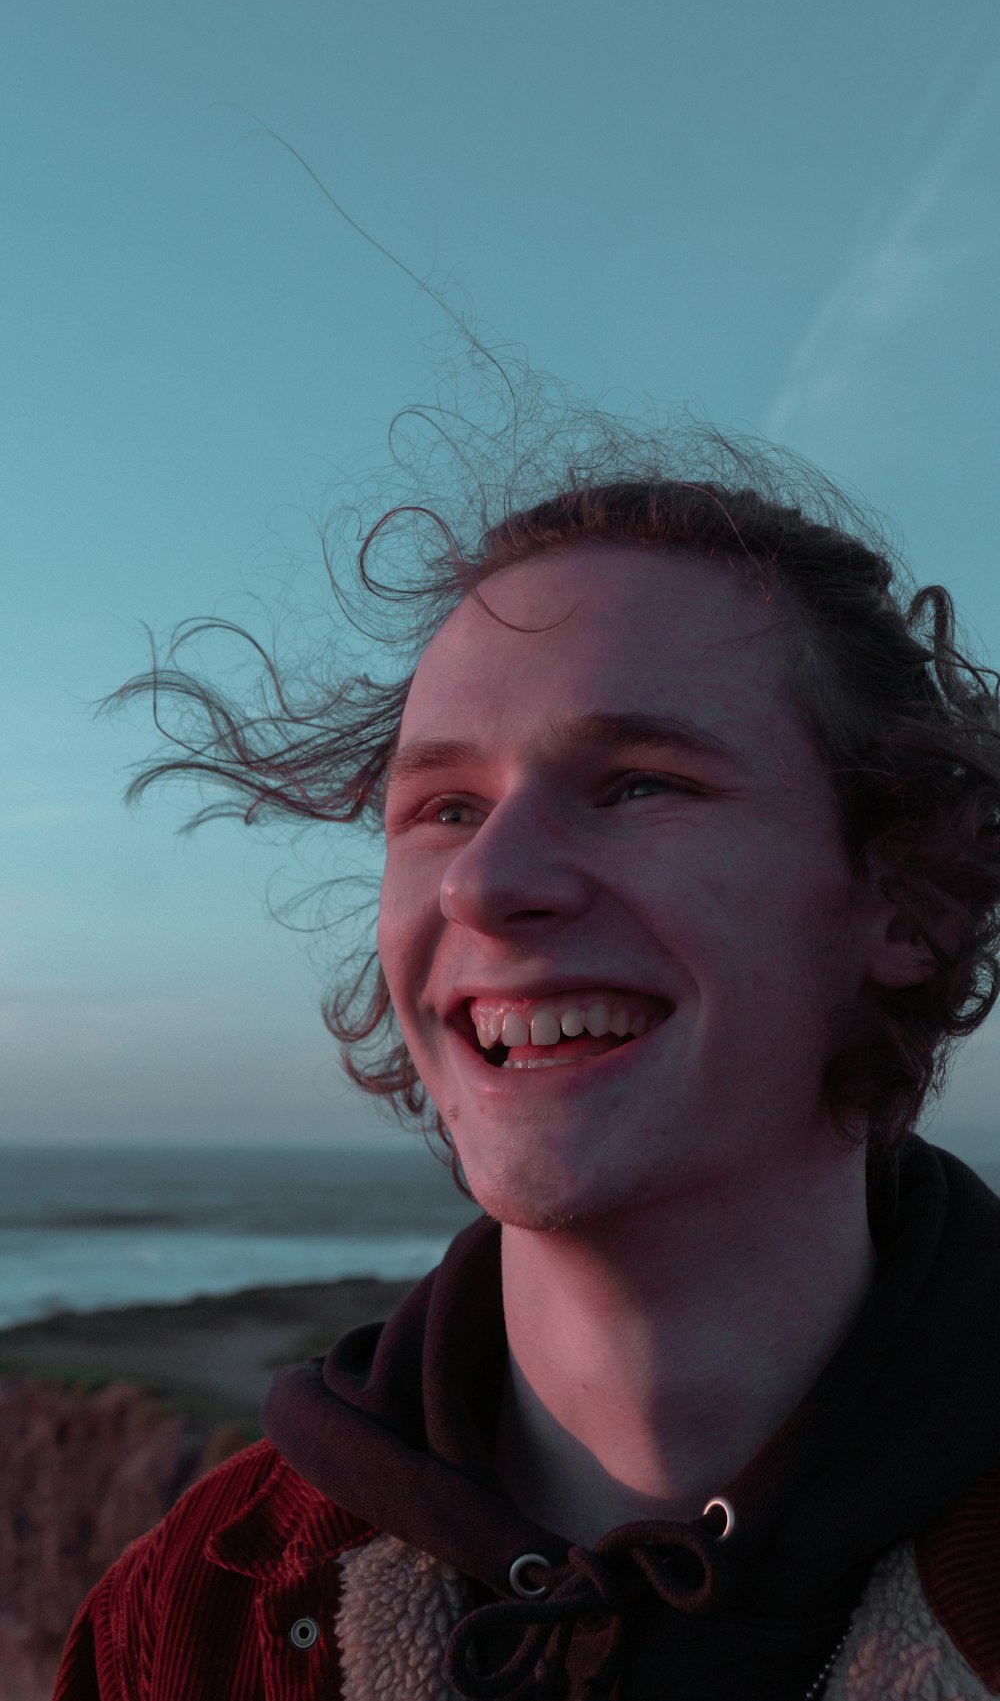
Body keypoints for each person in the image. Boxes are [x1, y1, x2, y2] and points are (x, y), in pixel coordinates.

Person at [54, 458, 1000, 1699]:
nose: (485, 884)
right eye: (443, 806)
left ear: (903, 899)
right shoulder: (203, 1604)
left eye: (640, 784)